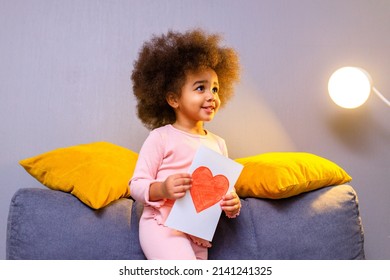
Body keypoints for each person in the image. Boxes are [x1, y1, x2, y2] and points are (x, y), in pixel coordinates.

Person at [129, 29, 240, 260]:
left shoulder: (218, 144)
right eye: (201, 88)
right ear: (174, 99)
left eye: (216, 89)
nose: (212, 96)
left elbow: (223, 188)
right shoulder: (161, 137)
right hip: (162, 226)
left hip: (199, 232)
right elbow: (136, 185)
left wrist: (232, 203)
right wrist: (163, 188)